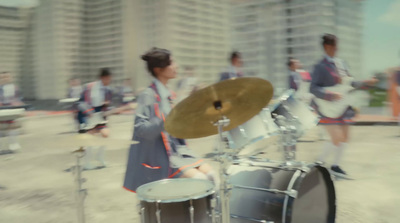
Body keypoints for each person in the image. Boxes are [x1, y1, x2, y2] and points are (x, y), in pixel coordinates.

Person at [123, 47, 217, 192]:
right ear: (158, 69)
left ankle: (212, 214)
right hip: (162, 157)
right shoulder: (148, 95)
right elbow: (140, 129)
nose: (176, 66)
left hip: (179, 152)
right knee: (200, 180)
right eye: (171, 63)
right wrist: (166, 119)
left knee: (212, 176)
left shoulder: (169, 94)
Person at [310, 34, 377, 176]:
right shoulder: (319, 67)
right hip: (328, 107)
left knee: (345, 137)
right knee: (335, 138)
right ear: (326, 47)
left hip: (344, 105)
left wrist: (365, 83)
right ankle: (319, 162)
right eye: (334, 46)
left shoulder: (342, 63)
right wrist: (330, 95)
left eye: (336, 45)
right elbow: (313, 88)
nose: (336, 48)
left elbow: (350, 83)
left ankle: (335, 166)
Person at [77, 68, 113, 169]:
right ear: (103, 78)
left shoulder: (108, 90)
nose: (109, 81)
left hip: (100, 115)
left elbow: (108, 105)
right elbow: (80, 102)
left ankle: (99, 157)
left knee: (106, 134)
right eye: (108, 79)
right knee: (90, 138)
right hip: (88, 114)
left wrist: (107, 108)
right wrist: (88, 112)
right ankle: (87, 162)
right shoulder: (89, 87)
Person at [0, 72, 23, 152]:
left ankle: (13, 143)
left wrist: (18, 103)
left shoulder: (14, 88)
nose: (5, 79)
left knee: (12, 125)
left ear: (10, 78)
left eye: (6, 77)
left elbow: (19, 98)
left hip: (11, 108)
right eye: (2, 77)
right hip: (1, 109)